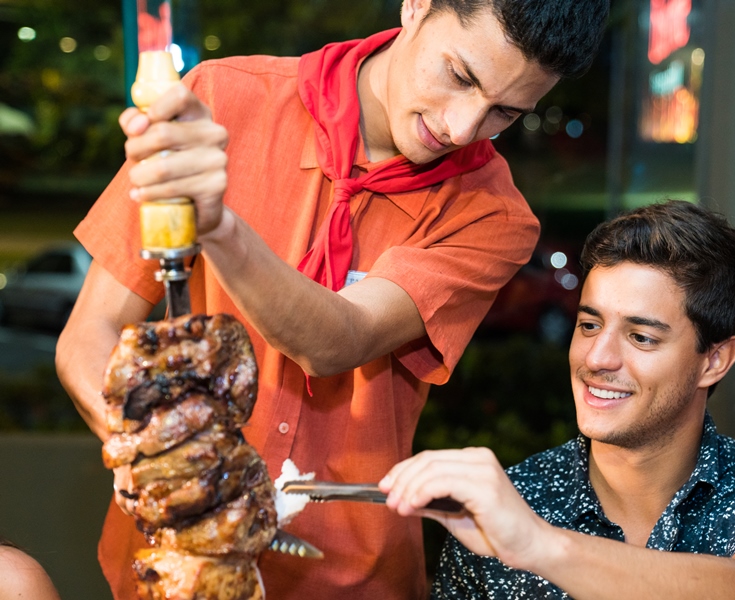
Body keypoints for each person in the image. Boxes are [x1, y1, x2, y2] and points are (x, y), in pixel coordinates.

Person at [55, 0, 610, 598]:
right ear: (417, 6)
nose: (462, 127)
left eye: (505, 112)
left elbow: (339, 339)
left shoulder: (493, 215)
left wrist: (217, 226)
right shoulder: (221, 101)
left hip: (350, 577)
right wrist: (165, 465)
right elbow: (88, 338)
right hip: (172, 565)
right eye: (459, 75)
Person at [380, 200, 735, 599]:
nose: (597, 358)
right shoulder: (509, 504)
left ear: (714, 360)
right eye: (589, 325)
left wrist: (538, 545)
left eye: (641, 337)